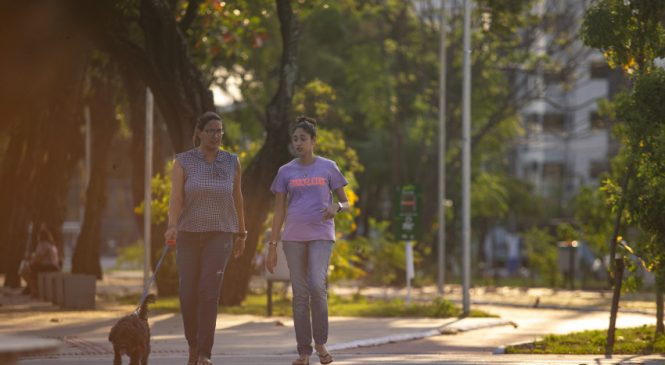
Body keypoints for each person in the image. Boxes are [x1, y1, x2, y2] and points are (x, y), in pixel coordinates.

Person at [164, 111, 247, 365]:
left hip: (220, 234)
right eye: (211, 130)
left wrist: (242, 232)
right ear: (199, 133)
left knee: (208, 292)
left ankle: (204, 353)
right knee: (188, 293)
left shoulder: (231, 161)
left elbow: (238, 198)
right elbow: (176, 197)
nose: (216, 135)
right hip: (188, 235)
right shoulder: (184, 161)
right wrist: (172, 226)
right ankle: (193, 344)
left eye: (220, 131)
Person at [266, 116, 350, 365]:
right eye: (295, 139)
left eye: (303, 138)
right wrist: (273, 246)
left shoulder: (328, 167)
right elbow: (279, 211)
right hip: (293, 238)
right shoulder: (285, 171)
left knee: (316, 285)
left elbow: (346, 200)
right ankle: (304, 352)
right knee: (300, 294)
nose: (298, 143)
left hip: (321, 235)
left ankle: (321, 343)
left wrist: (338, 207)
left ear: (314, 141)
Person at [20, 224, 60, 297]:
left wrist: (29, 264)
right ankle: (33, 289)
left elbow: (39, 258)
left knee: (26, 271)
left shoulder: (43, 244)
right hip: (54, 266)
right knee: (31, 271)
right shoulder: (51, 244)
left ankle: (34, 291)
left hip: (49, 266)